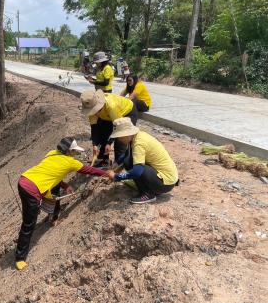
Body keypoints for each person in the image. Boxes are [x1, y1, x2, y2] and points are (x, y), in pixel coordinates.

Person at [15, 137, 106, 270]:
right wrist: (106, 173)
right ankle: (20, 258)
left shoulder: (52, 154)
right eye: (75, 151)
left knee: (52, 191)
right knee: (29, 224)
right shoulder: (70, 162)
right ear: (69, 152)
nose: (76, 154)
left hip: (24, 180)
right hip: (32, 190)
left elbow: (51, 173)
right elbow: (89, 170)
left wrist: (64, 185)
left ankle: (54, 215)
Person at [106, 118, 178, 204]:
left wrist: (116, 176)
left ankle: (148, 194)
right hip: (167, 177)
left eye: (119, 137)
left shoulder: (139, 143)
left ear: (126, 134)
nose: (118, 140)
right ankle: (150, 188)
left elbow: (137, 172)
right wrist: (116, 164)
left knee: (137, 167)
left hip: (165, 183)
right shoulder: (137, 136)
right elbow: (126, 155)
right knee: (128, 161)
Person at [80, 90, 137, 166]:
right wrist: (95, 145)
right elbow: (94, 128)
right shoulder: (91, 106)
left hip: (127, 111)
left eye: (96, 110)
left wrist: (109, 143)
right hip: (108, 116)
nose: (95, 112)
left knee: (121, 139)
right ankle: (103, 160)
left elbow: (117, 127)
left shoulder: (111, 106)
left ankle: (121, 164)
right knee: (102, 135)